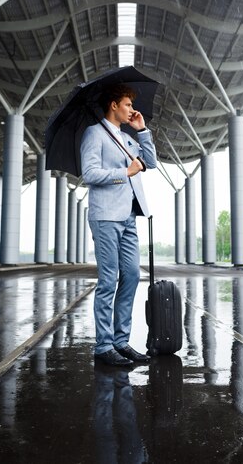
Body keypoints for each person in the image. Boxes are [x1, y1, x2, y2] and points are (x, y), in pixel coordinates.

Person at [80, 83, 157, 366]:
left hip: (128, 215)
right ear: (114, 105)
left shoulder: (126, 137)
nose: (131, 110)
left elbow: (150, 162)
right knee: (108, 279)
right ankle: (104, 345)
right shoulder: (94, 134)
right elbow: (89, 173)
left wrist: (142, 130)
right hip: (105, 215)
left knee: (132, 276)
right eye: (127, 105)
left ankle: (121, 341)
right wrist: (124, 172)